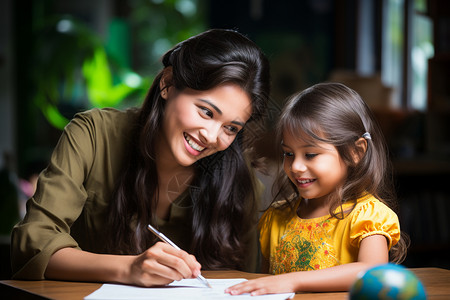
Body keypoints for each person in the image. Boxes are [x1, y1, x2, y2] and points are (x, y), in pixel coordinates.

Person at [11, 28, 271, 287]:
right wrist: (129, 269)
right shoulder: (93, 136)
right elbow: (33, 244)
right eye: (206, 112)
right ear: (168, 83)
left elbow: (245, 283)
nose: (212, 137)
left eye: (231, 128)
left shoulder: (238, 177)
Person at [225, 82, 409, 296]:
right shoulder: (275, 218)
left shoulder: (367, 216)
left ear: (355, 152)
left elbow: (372, 272)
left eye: (310, 154)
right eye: (289, 154)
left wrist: (293, 281)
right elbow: (268, 288)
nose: (295, 167)